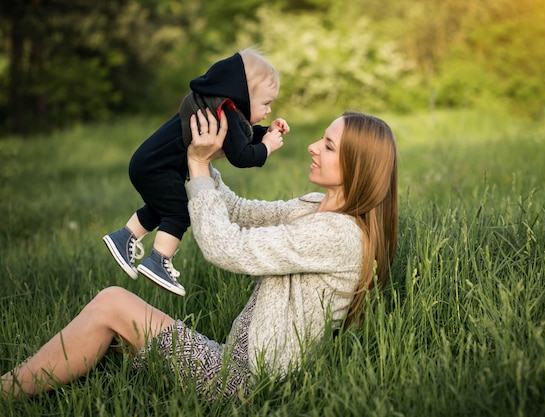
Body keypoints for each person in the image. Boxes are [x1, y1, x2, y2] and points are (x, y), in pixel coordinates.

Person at [1, 109, 398, 402]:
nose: (313, 146)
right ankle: (28, 387)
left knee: (112, 303)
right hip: (234, 363)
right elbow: (240, 212)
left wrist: (197, 164)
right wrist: (206, 160)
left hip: (249, 387)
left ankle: (7, 392)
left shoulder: (338, 234)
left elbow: (225, 247)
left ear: (356, 166)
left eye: (328, 146)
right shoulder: (316, 207)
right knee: (111, 331)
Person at [103, 47, 289, 297]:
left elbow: (240, 138)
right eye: (265, 104)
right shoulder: (227, 111)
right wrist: (266, 148)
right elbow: (242, 155)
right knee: (179, 213)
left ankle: (123, 237)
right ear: (244, 95)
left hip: (150, 164)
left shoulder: (221, 106)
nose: (268, 110)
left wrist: (265, 132)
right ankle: (158, 261)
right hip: (157, 168)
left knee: (163, 207)